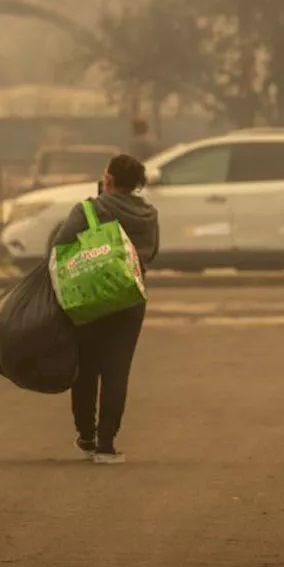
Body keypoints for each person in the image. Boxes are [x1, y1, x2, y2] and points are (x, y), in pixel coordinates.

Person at [51, 154, 160, 464]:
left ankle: (85, 436)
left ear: (108, 179)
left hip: (91, 296)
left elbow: (59, 247)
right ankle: (106, 444)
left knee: (86, 368)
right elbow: (151, 254)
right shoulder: (150, 214)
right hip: (130, 298)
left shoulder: (90, 209)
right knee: (117, 370)